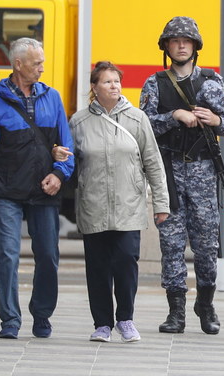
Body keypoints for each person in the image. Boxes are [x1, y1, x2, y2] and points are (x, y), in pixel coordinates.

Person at [0, 37, 74, 339]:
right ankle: (10, 321)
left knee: (48, 255)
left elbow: (66, 146)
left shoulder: (52, 98)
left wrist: (59, 174)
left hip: (45, 191)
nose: (42, 68)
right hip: (6, 193)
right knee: (7, 255)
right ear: (18, 65)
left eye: (42, 62)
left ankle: (41, 315)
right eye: (36, 63)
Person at [139, 16, 224, 335]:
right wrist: (174, 116)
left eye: (186, 41)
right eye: (175, 41)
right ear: (166, 46)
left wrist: (215, 119)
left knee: (207, 247)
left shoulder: (212, 81)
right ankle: (176, 311)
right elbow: (144, 125)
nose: (181, 45)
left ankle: (205, 305)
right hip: (169, 174)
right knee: (171, 245)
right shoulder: (155, 83)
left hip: (204, 176)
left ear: (195, 46)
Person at [68, 61, 169, 343]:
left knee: (126, 261)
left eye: (117, 81)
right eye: (107, 82)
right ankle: (102, 324)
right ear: (94, 88)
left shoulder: (137, 119)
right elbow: (69, 163)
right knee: (97, 266)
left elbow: (153, 162)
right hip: (94, 204)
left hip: (129, 205)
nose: (114, 86)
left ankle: (125, 319)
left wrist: (161, 204)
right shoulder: (79, 122)